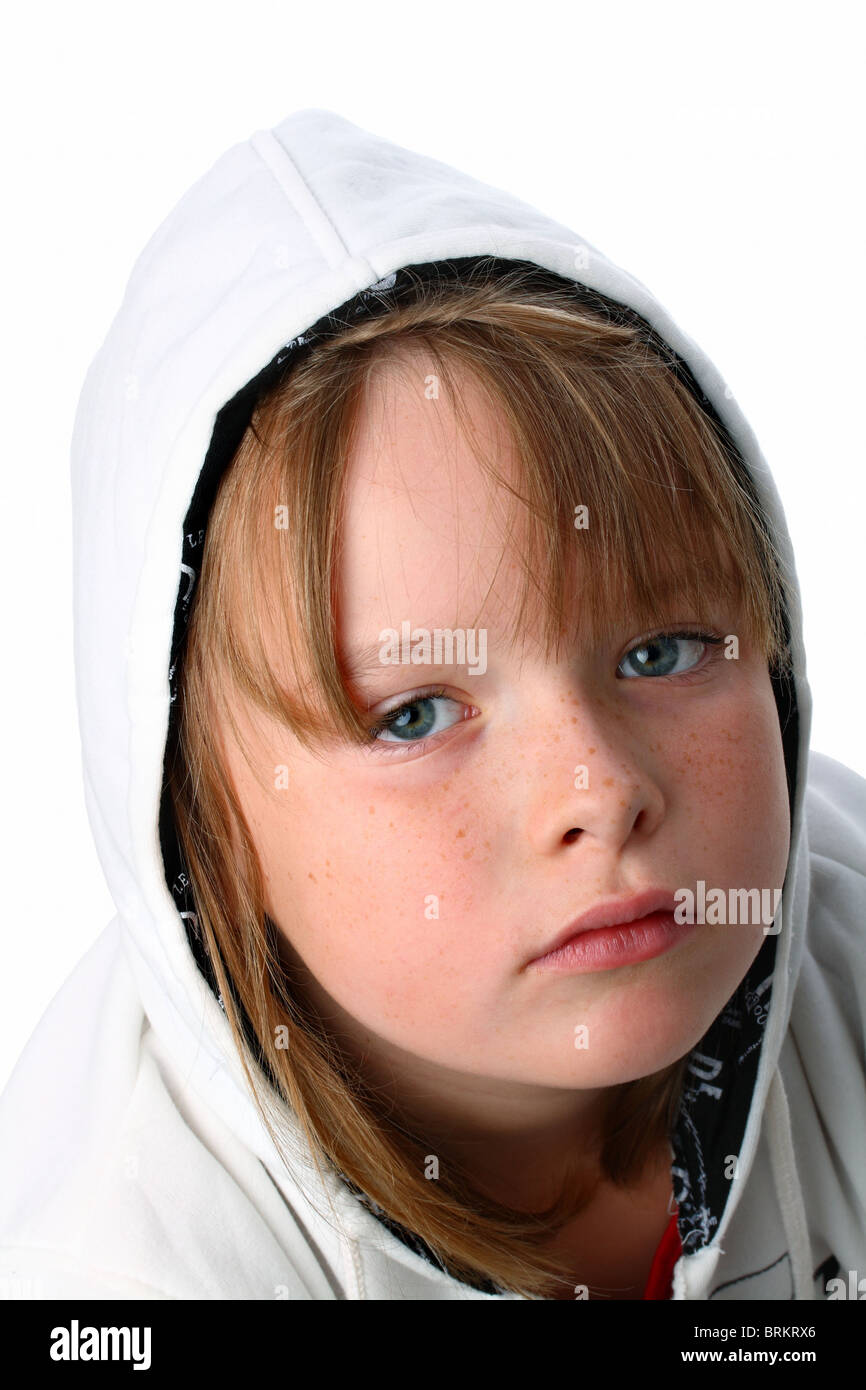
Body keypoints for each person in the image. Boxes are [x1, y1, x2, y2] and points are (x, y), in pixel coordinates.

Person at [1, 107, 863, 1302]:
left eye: (661, 650)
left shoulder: (847, 956)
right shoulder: (114, 1266)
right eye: (413, 715)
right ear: (206, 838)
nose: (601, 790)